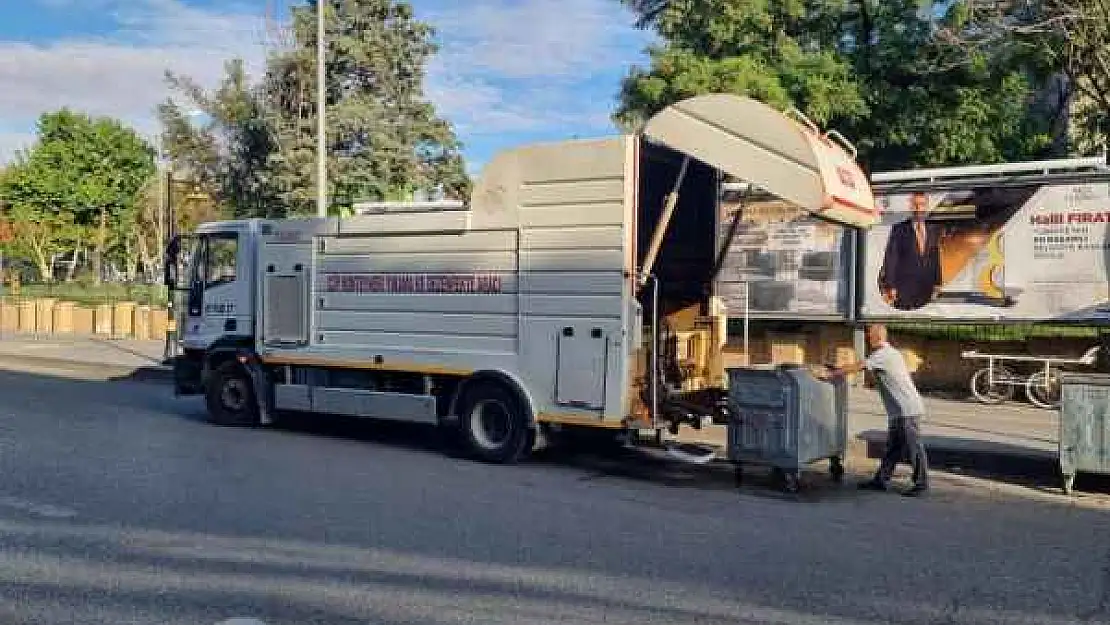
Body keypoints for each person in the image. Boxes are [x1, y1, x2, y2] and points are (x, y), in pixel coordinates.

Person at [819, 324, 929, 496]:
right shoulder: (888, 353)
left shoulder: (883, 355)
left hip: (907, 409)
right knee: (893, 448)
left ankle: (921, 483)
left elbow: (858, 366)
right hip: (899, 410)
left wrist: (831, 374)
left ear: (877, 337)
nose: (867, 339)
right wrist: (836, 370)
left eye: (869, 336)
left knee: (913, 447)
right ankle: (881, 480)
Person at [878, 191, 943, 311]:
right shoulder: (899, 228)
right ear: (910, 206)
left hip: (926, 287)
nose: (919, 208)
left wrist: (938, 282)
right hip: (904, 288)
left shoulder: (933, 229)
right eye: (915, 204)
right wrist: (890, 286)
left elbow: (935, 257)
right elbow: (891, 258)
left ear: (927, 206)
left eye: (922, 204)